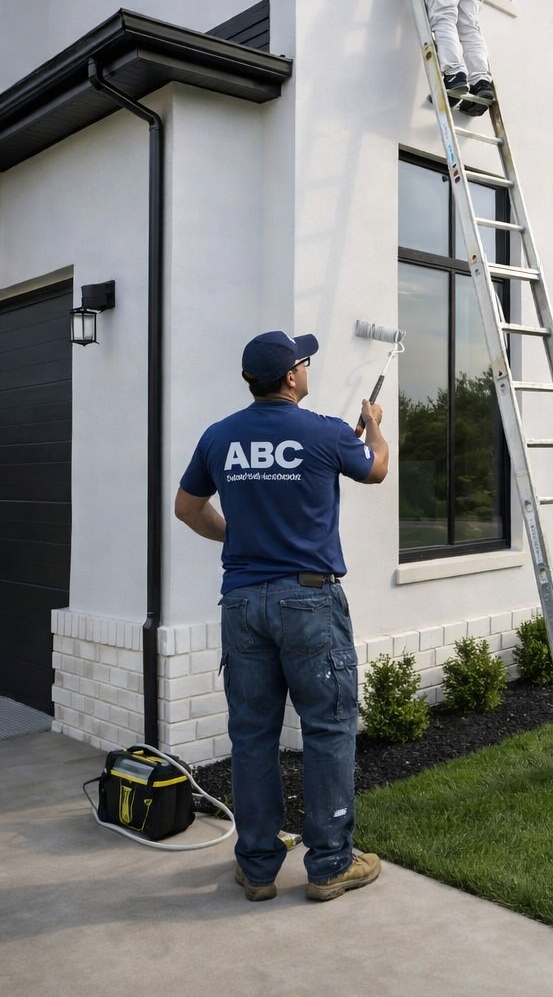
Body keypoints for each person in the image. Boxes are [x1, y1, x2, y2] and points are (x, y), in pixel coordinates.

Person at [174, 329, 390, 903]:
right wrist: (373, 428)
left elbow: (187, 508)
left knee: (251, 735)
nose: (308, 366)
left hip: (243, 603)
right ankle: (329, 866)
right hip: (310, 602)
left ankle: (259, 867)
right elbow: (376, 470)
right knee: (327, 727)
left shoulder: (219, 437)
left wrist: (233, 536)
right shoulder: (322, 432)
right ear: (291, 377)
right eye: (305, 361)